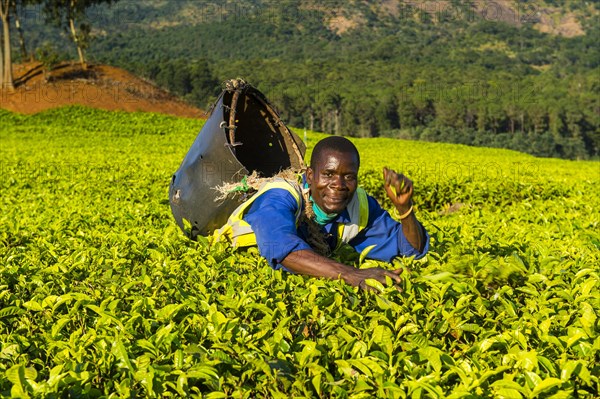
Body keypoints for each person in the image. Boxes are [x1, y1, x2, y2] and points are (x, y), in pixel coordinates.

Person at [216, 136, 429, 288]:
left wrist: (404, 209)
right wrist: (351, 274)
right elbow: (283, 249)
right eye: (328, 174)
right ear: (310, 175)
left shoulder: (358, 205)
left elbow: (411, 249)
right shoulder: (280, 196)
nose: (338, 185)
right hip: (239, 275)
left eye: (348, 176)